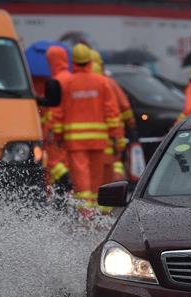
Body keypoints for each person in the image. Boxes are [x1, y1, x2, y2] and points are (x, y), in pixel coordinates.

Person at [52, 43, 122, 217]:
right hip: (98, 140)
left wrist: (59, 136)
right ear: (90, 61)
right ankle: (98, 214)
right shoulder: (102, 82)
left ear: (73, 61)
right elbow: (112, 112)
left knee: (81, 181)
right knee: (97, 179)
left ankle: (85, 214)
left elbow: (59, 113)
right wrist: (115, 136)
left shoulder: (67, 84)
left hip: (75, 142)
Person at [90, 49, 136, 183]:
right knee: (113, 165)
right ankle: (116, 193)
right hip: (109, 138)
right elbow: (124, 106)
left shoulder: (75, 83)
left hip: (84, 142)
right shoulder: (108, 83)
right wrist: (131, 125)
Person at [44, 45, 73, 193]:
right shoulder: (71, 78)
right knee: (65, 160)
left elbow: (55, 109)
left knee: (52, 161)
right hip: (71, 129)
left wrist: (49, 129)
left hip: (57, 130)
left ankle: (61, 184)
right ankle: (65, 189)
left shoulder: (57, 81)